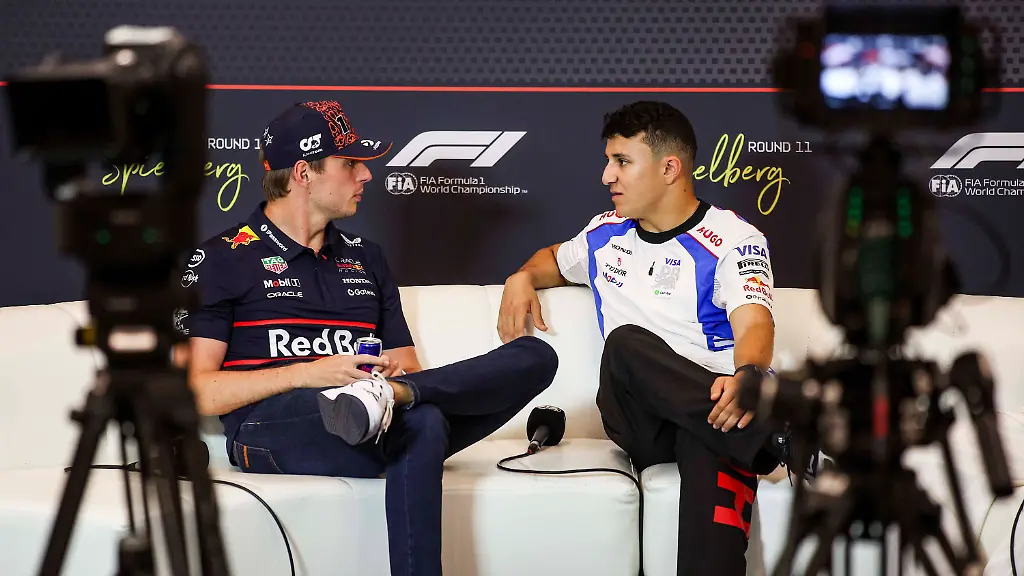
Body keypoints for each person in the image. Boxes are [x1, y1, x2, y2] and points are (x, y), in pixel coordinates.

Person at [176, 99, 558, 576]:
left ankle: (384, 398)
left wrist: (392, 382)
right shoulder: (222, 258)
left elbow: (410, 367)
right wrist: (307, 374)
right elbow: (196, 390)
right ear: (304, 173)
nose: (367, 175)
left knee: (535, 356)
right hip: (268, 429)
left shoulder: (366, 257)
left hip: (379, 416)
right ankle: (382, 401)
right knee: (423, 423)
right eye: (350, 163)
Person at [496, 100, 804, 576]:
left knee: (711, 438)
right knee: (625, 344)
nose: (607, 176)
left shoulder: (733, 238)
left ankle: (754, 434)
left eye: (622, 162)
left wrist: (748, 374)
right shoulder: (604, 234)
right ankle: (776, 437)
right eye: (609, 161)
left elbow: (754, 323)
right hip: (640, 419)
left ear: (669, 168)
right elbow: (551, 260)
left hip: (718, 411)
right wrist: (521, 277)